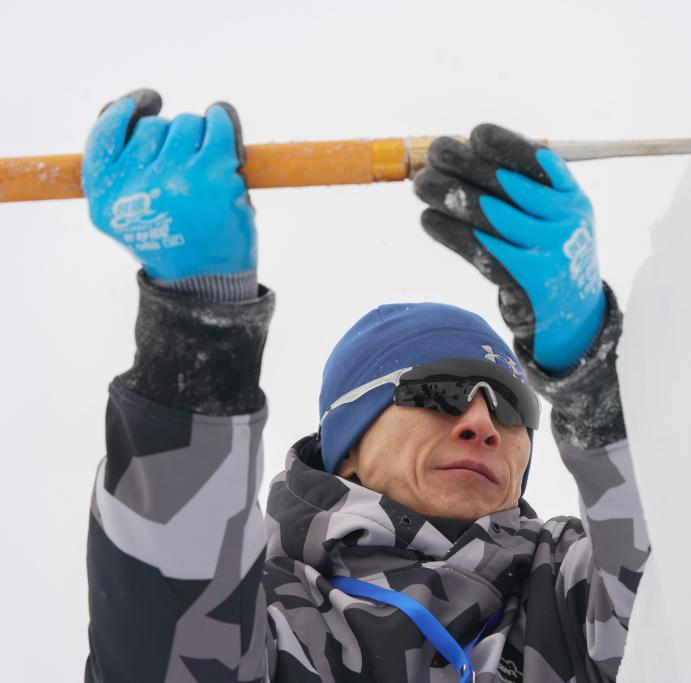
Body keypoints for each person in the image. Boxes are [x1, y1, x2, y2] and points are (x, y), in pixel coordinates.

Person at [82, 89, 650, 683]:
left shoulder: (571, 596)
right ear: (348, 445)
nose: (482, 424)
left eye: (511, 406)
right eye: (438, 392)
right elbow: (166, 650)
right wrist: (200, 323)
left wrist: (591, 378)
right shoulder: (272, 615)